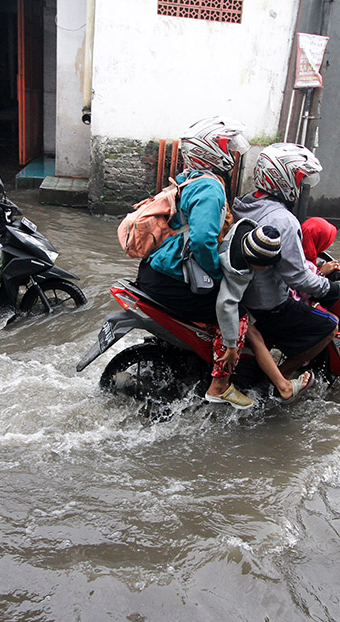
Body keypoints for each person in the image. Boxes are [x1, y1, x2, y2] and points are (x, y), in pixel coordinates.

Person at [134, 116, 253, 408]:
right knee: (237, 314)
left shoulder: (187, 176)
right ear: (211, 150)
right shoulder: (211, 187)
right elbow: (202, 241)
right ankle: (220, 385)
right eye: (225, 146)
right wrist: (216, 274)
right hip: (172, 276)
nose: (230, 152)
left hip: (154, 270)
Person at [230, 143, 340, 378]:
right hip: (267, 306)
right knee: (330, 325)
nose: (300, 187)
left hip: (241, 295)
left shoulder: (243, 204)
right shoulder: (283, 220)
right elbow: (297, 277)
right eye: (298, 180)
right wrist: (334, 287)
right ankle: (280, 376)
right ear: (284, 179)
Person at [216, 222, 315, 404]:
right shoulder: (237, 270)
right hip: (212, 294)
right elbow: (226, 304)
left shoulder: (246, 227)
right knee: (253, 334)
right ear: (254, 261)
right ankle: (283, 388)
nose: (267, 269)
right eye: (265, 266)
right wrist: (231, 347)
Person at [291, 216, 340, 303]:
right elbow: (306, 292)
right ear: (320, 241)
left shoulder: (292, 251)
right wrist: (321, 273)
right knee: (332, 317)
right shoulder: (307, 264)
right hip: (295, 304)